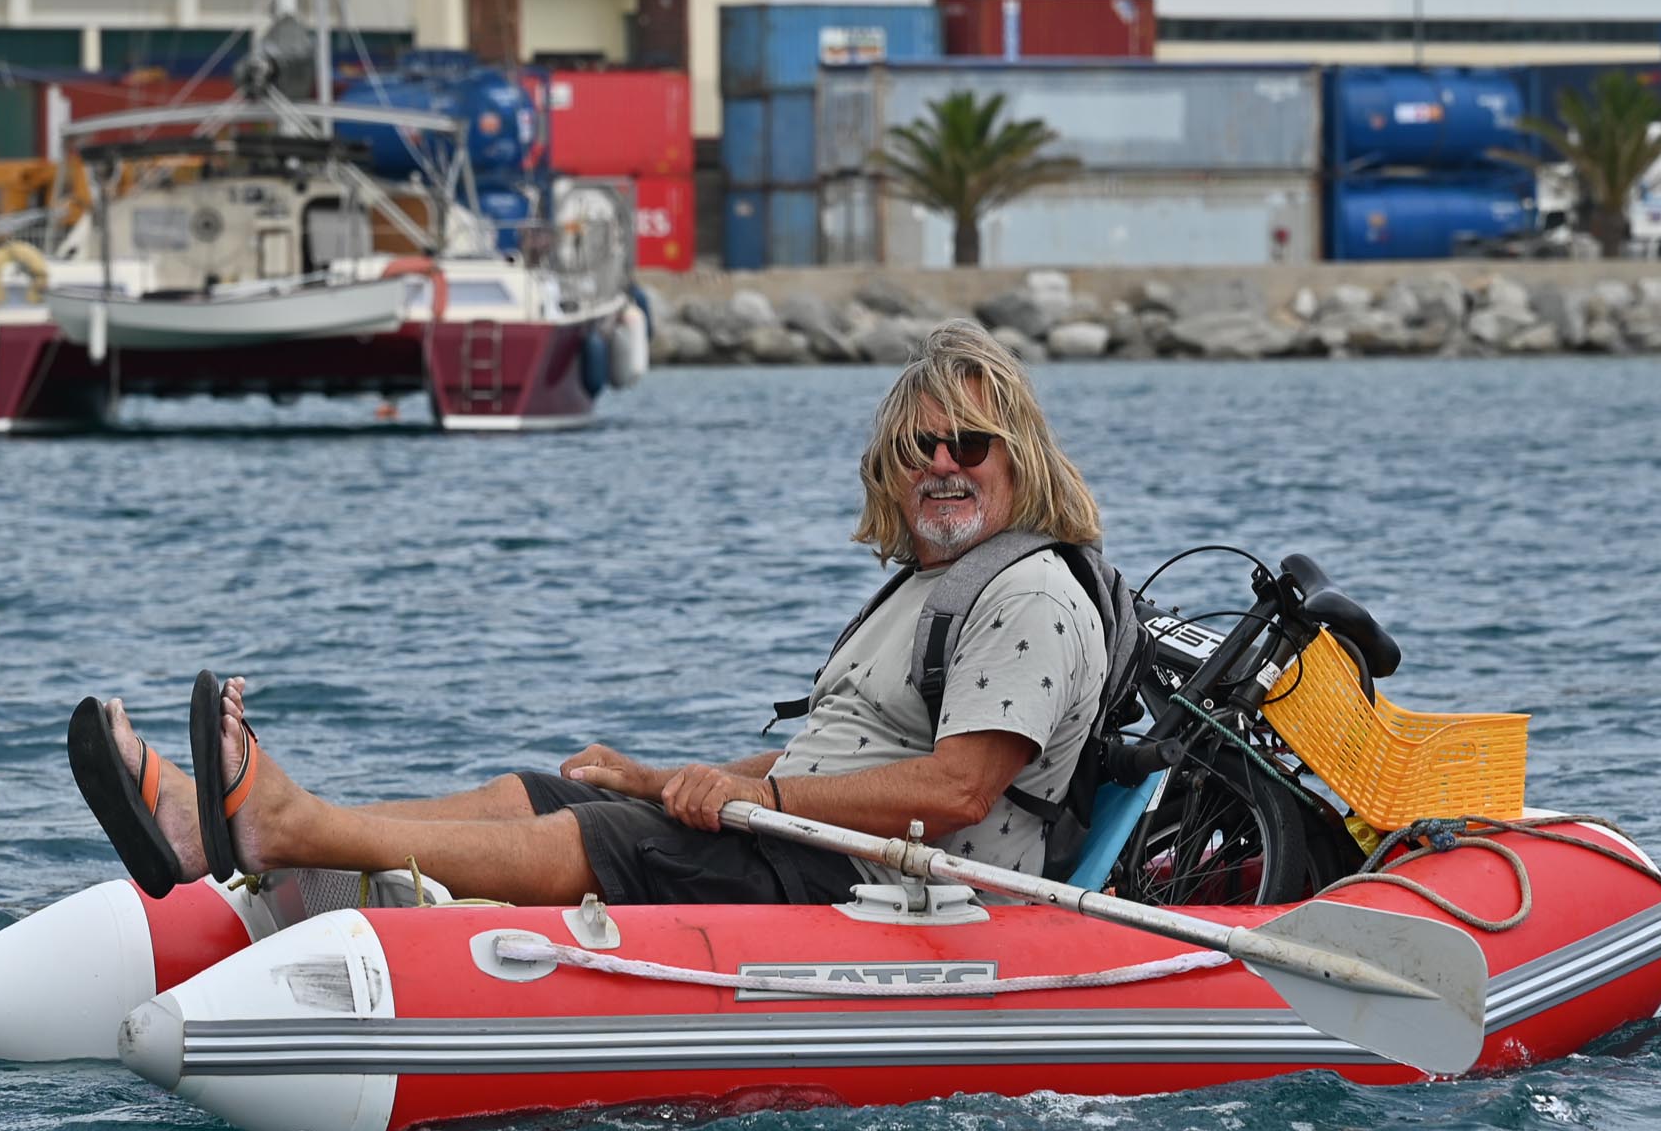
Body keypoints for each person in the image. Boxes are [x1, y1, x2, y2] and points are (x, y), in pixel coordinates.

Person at [68, 321, 1112, 908]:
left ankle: (289, 826)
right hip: (819, 831)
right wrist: (675, 778)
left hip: (914, 880)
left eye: (966, 444)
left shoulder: (1026, 594)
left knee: (607, 838)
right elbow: (847, 751)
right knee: (537, 788)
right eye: (915, 448)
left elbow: (960, 787)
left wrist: (748, 796)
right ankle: (219, 831)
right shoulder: (925, 584)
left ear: (1018, 456)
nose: (940, 465)